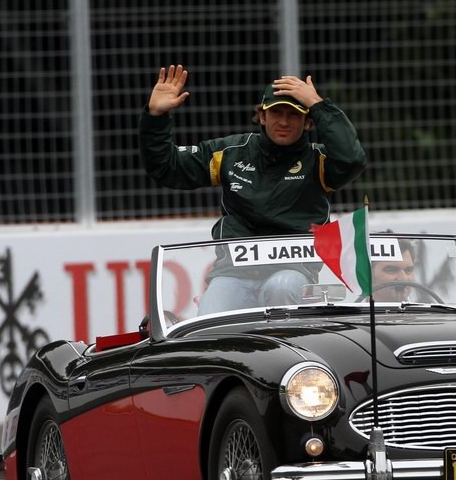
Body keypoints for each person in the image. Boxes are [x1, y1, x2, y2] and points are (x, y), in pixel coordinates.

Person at [140, 64, 367, 314]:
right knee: (208, 320)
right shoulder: (230, 153)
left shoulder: (320, 161)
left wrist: (318, 104)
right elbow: (167, 167)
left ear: (308, 123)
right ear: (262, 116)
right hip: (234, 273)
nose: (283, 121)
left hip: (293, 272)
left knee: (281, 287)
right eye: (276, 112)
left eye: (293, 115)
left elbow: (352, 159)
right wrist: (156, 117)